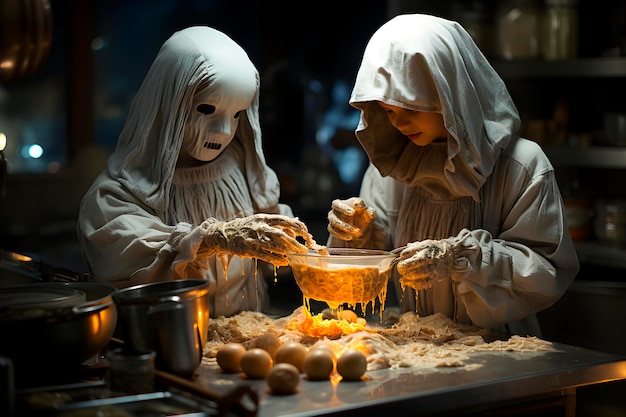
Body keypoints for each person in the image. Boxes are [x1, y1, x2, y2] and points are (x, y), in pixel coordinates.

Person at [326, 14, 579, 336]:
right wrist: (358, 234)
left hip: (500, 347)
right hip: (414, 339)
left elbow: (547, 273)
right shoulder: (395, 167)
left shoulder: (521, 165)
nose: (400, 124)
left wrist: (463, 258)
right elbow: (369, 270)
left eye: (413, 109)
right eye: (389, 111)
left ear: (452, 95)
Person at [77, 26, 313, 317]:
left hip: (253, 343)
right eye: (206, 109)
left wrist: (325, 245)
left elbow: (279, 256)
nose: (224, 130)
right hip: (173, 347)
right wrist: (210, 238)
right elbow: (132, 264)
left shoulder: (241, 169)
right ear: (169, 104)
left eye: (237, 114)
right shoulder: (115, 196)